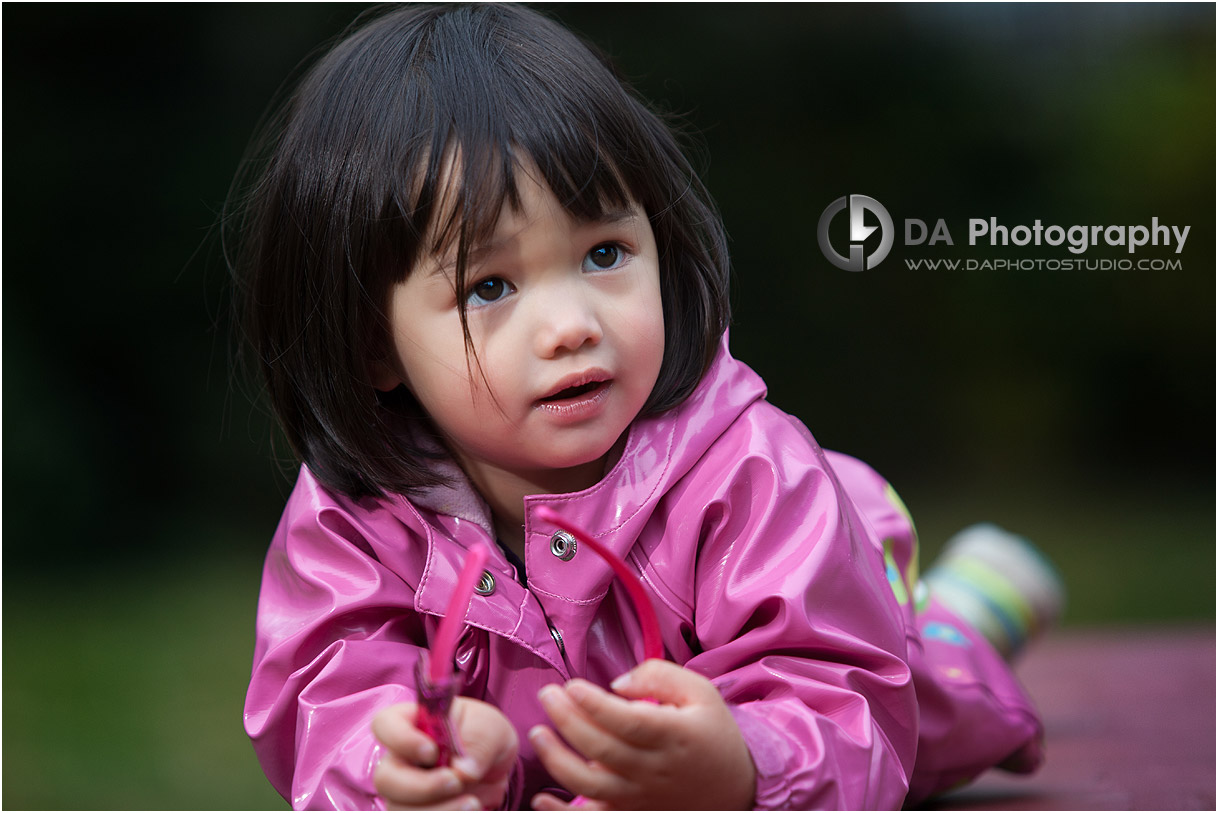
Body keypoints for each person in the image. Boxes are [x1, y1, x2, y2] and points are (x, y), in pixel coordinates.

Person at [233, 5, 1062, 810]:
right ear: (375, 345)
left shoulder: (750, 474)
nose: (571, 326)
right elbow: (324, 699)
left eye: (604, 253)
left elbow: (851, 708)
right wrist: (401, 767)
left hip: (845, 574)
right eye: (489, 285)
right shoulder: (352, 518)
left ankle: (966, 612)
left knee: (940, 704)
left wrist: (738, 768)